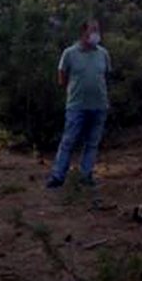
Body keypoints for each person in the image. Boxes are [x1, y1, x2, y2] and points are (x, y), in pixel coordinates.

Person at [46, 18, 111, 188]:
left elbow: (106, 76)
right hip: (77, 106)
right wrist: (73, 90)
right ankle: (58, 177)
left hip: (99, 105)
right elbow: (62, 75)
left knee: (92, 143)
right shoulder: (70, 53)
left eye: (98, 29)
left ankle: (85, 175)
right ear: (84, 33)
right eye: (93, 30)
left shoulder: (103, 53)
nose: (96, 33)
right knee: (68, 141)